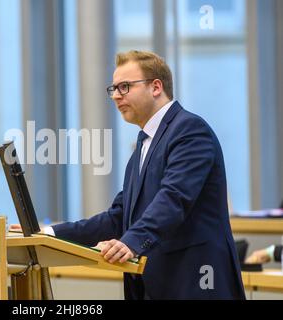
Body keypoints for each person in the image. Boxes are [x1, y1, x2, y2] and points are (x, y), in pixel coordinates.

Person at [17, 50, 245, 299]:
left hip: (197, 282)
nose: (115, 96)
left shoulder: (189, 131)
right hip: (157, 284)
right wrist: (49, 233)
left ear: (156, 87)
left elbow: (174, 198)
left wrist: (131, 242)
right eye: (113, 88)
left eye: (124, 87)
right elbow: (119, 217)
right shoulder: (144, 143)